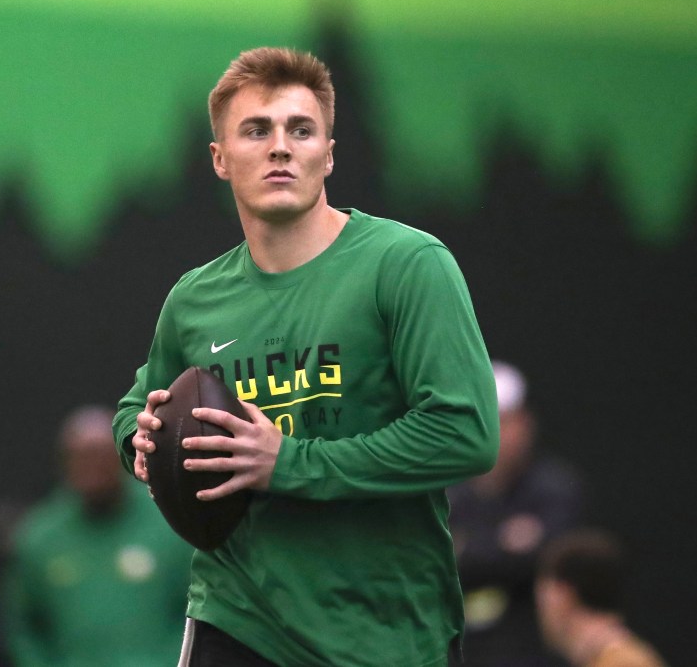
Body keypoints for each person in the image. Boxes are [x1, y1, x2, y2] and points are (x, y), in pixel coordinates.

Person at [113, 47, 499, 666]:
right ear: (219, 158)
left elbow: (467, 434)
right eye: (256, 130)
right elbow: (135, 409)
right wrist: (141, 437)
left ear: (329, 153)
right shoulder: (194, 299)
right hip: (238, 620)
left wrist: (288, 463)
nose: (280, 147)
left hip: (385, 635)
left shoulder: (407, 265)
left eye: (301, 129)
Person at [3, 405, 193, 667]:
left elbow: (195, 612)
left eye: (98, 455)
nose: (90, 467)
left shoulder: (168, 522)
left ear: (119, 457)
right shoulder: (40, 536)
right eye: (79, 457)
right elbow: (22, 627)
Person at [447, 360, 586, 666]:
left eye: (504, 420)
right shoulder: (448, 494)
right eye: (483, 421)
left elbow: (552, 558)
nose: (495, 433)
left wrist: (468, 546)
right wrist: (504, 544)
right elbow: (438, 566)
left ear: (525, 423)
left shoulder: (554, 488)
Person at [535, 529, 666, 667]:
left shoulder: (622, 662)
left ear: (563, 594)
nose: (541, 611)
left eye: (543, 597)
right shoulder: (608, 658)